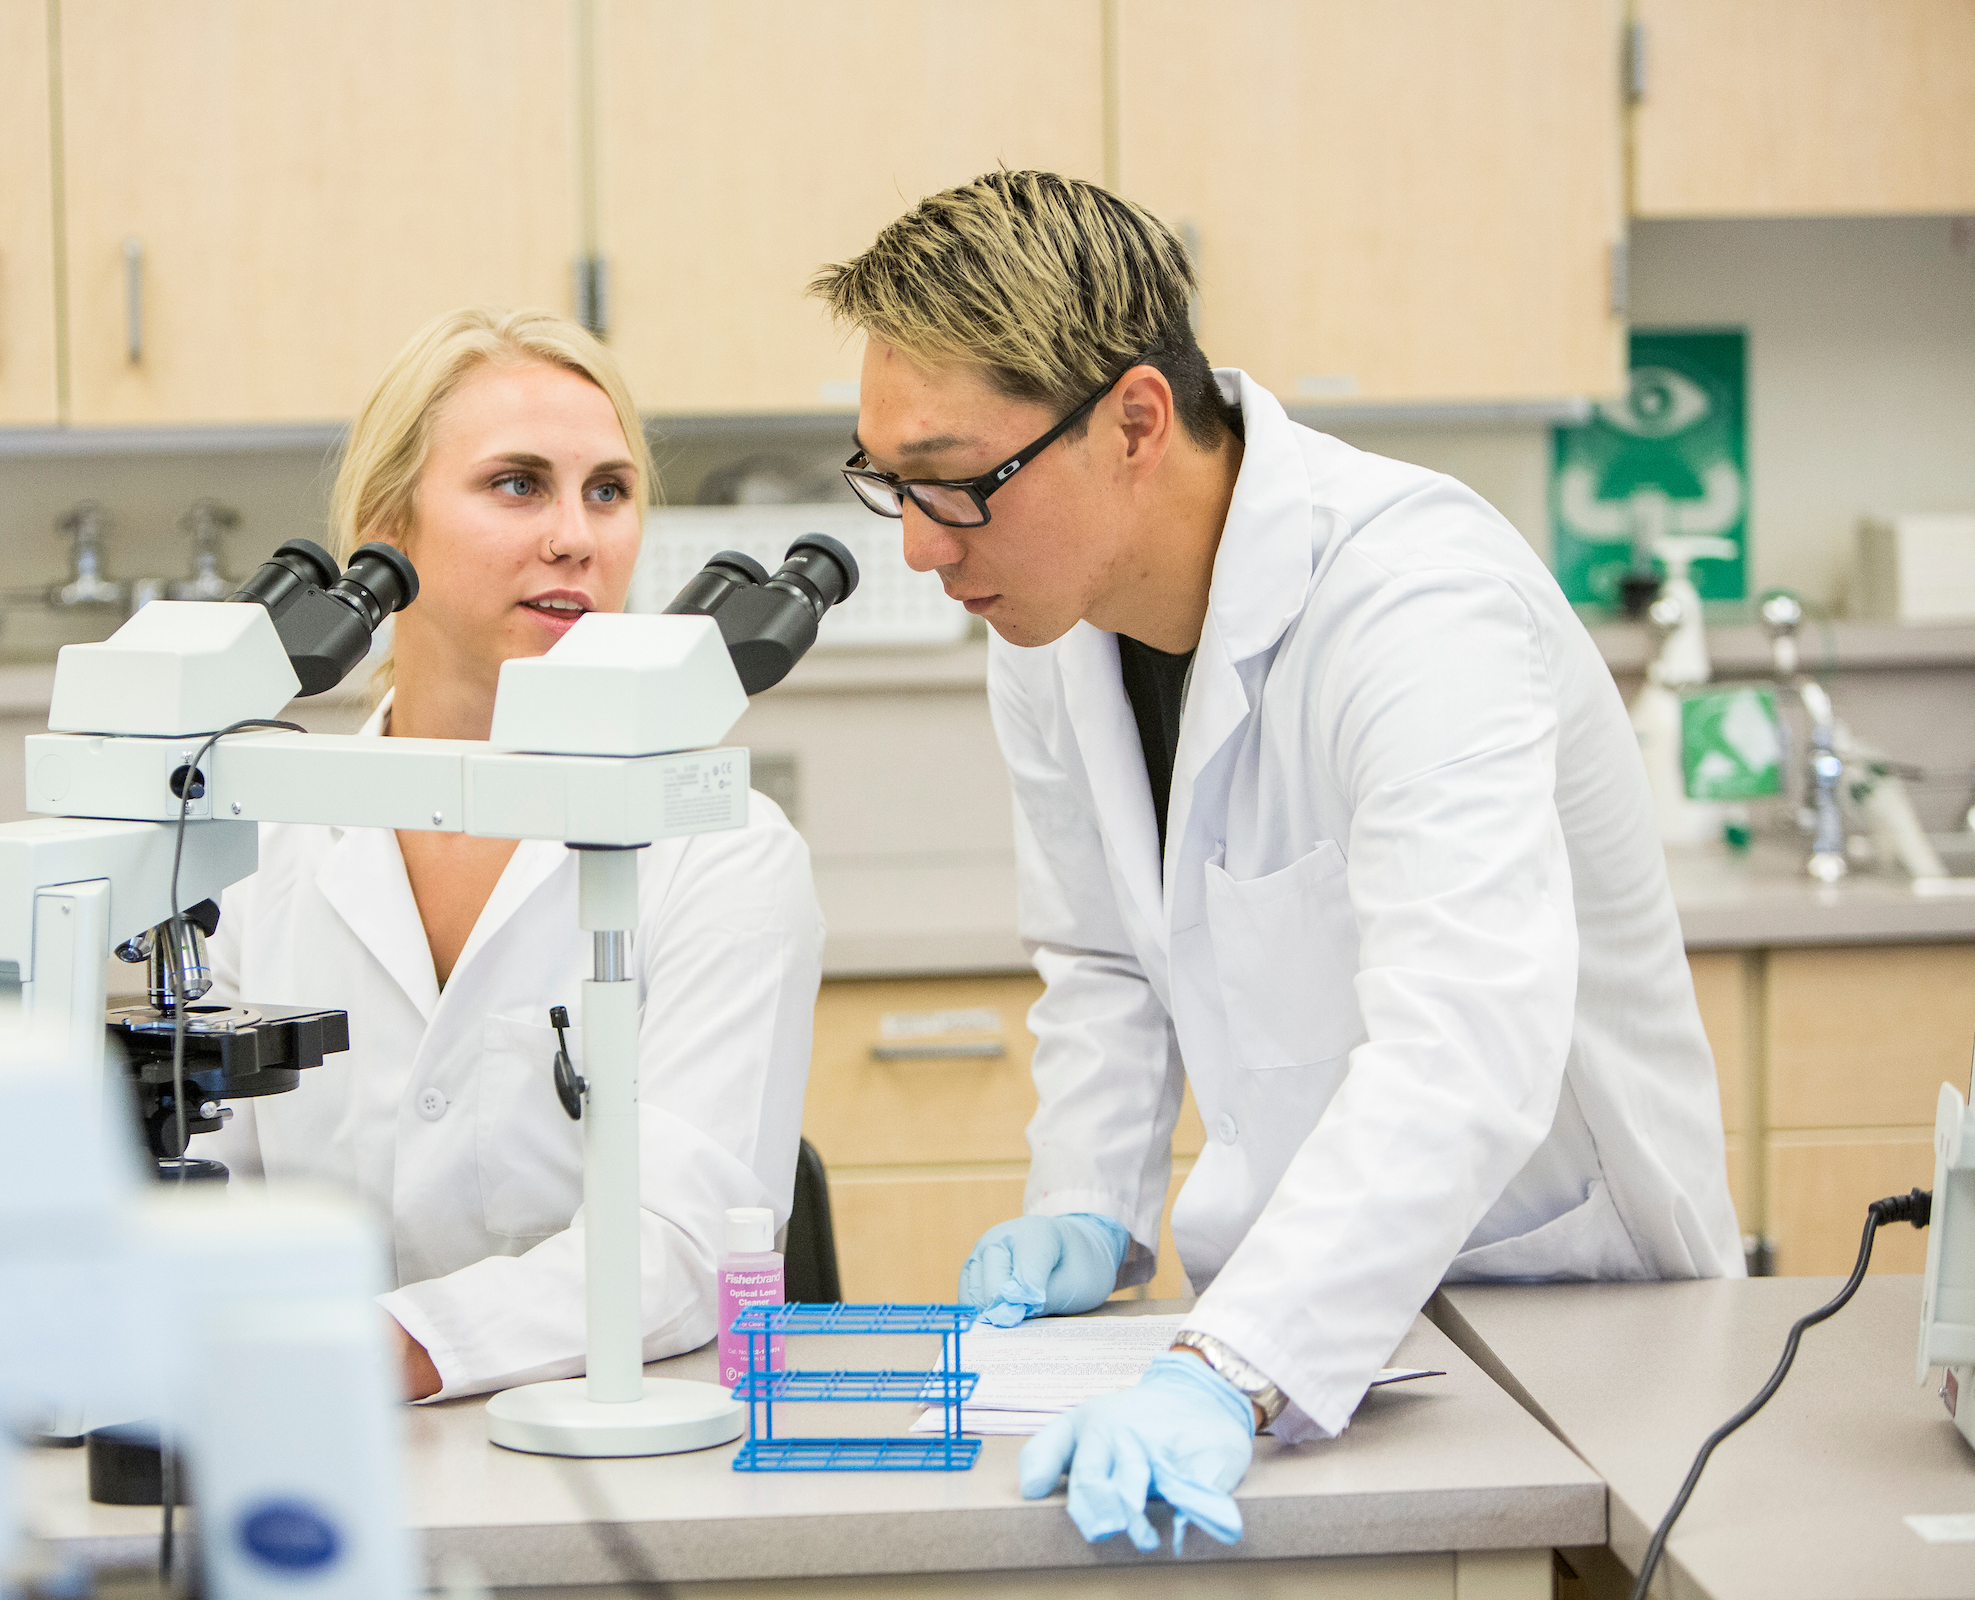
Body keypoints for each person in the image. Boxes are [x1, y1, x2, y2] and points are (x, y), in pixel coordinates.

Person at [809, 172, 1740, 1552]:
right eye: (892, 482)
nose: (919, 545)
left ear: (1134, 419)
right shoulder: (1048, 612)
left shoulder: (1416, 601)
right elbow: (1107, 958)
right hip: (1295, 1331)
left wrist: (1227, 1370)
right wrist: (1085, 1206)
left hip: (1555, 1313)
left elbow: (1466, 1041)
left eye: (954, 486)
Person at [193, 306, 823, 1403]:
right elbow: (222, 1195)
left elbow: (680, 1240)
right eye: (518, 484)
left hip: (612, 1453)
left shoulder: (721, 851)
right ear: (389, 528)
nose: (578, 535)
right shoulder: (271, 833)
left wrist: (387, 1348)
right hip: (313, 1434)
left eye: (609, 490)